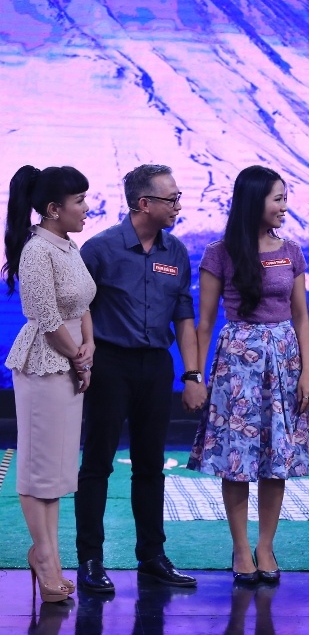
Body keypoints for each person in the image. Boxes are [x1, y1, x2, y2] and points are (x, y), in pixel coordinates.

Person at [74, 164, 207, 593]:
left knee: (151, 465)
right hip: (109, 366)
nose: (179, 206)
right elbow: (76, 310)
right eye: (172, 199)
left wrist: (192, 374)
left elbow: (184, 317)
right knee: (97, 463)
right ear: (144, 203)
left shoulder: (177, 252)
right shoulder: (99, 249)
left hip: (156, 368)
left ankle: (152, 556)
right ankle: (90, 559)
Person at [187, 165, 309, 584]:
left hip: (284, 361)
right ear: (253, 201)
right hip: (238, 362)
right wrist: (195, 377)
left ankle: (265, 545)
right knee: (238, 458)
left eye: (285, 198)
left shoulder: (292, 251)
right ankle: (241, 547)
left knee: (276, 457)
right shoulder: (219, 252)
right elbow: (204, 323)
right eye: (277, 199)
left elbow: (302, 317)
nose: (284, 206)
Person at [4, 165, 95, 603]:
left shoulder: (67, 244)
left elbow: (82, 302)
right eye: (79, 201)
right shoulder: (37, 250)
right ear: (54, 209)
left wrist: (89, 347)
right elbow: (45, 316)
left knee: (57, 472)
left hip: (71, 361)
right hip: (45, 363)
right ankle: (44, 559)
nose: (86, 208)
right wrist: (78, 356)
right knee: (38, 469)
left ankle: (49, 557)